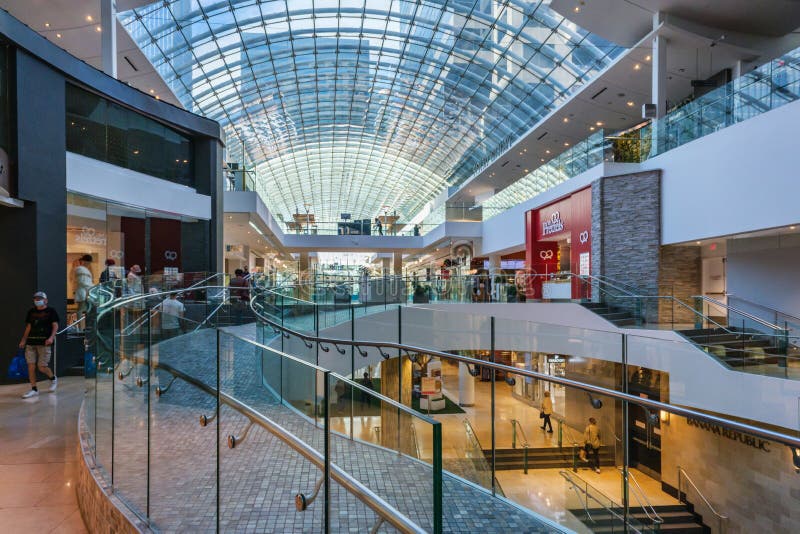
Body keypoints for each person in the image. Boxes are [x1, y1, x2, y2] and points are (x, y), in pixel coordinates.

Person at [18, 291, 59, 398]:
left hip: (44, 343)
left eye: (39, 298)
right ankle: (34, 389)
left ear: (45, 300)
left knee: (41, 367)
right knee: (30, 366)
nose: (37, 300)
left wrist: (51, 338)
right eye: (35, 299)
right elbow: (28, 327)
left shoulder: (51, 311)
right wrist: (23, 340)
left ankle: (53, 378)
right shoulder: (31, 312)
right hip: (31, 343)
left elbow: (55, 326)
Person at [73, 254, 93, 319]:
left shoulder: (84, 269)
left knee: (85, 309)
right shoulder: (80, 269)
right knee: (80, 310)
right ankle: (80, 328)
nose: (89, 263)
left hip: (86, 291)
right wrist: (92, 286)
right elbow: (82, 281)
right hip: (82, 291)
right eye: (89, 262)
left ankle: (83, 327)